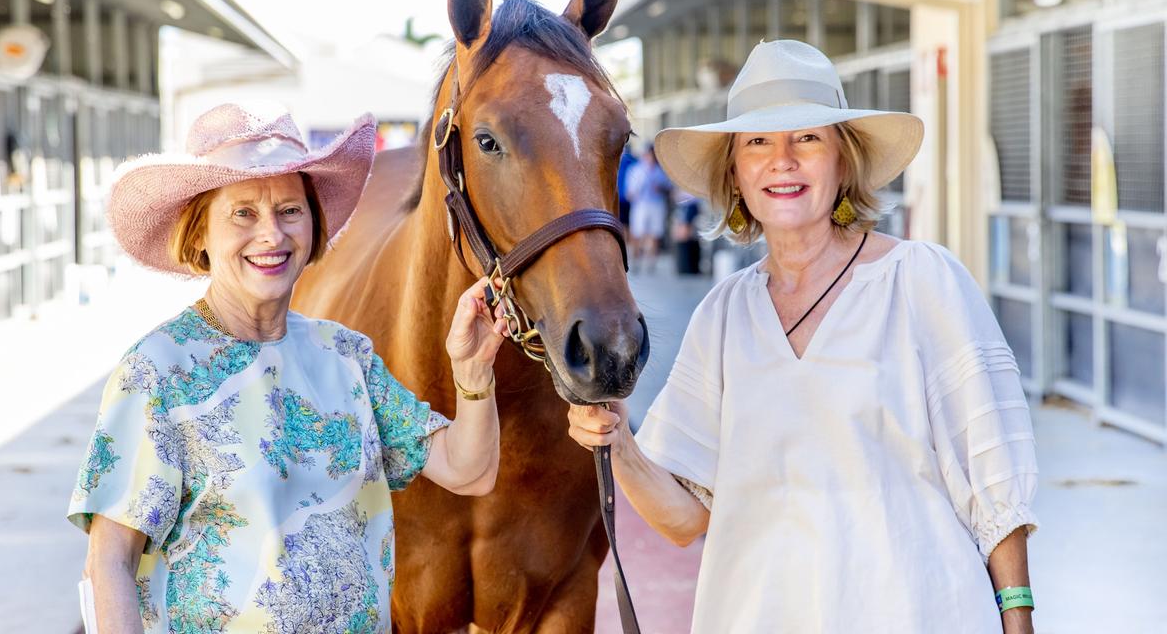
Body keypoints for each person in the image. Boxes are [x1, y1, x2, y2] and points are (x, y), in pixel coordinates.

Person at [567, 40, 1039, 633]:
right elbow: (684, 518)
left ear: (843, 160)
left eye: (807, 138)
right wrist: (617, 438)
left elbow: (995, 480)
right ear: (735, 172)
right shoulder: (723, 316)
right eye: (758, 142)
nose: (782, 160)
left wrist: (1017, 619)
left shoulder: (921, 281)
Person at [67, 104, 508, 633]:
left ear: (313, 225)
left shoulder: (346, 356)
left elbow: (470, 471)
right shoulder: (157, 372)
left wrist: (473, 371)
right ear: (199, 234)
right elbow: (109, 560)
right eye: (243, 214)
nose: (271, 235)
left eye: (290, 211)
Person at [624, 144, 674, 273]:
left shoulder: (660, 171)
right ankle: (635, 262)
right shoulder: (637, 170)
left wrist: (661, 189)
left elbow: (669, 189)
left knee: (655, 233)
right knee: (637, 233)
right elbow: (629, 193)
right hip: (640, 205)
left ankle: (651, 263)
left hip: (656, 204)